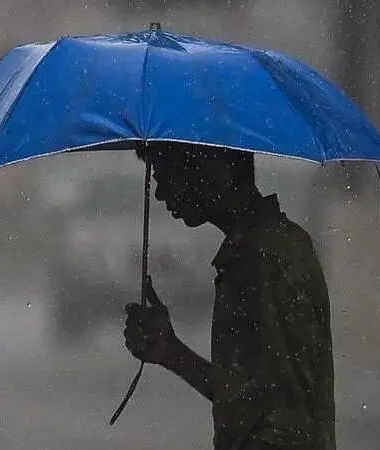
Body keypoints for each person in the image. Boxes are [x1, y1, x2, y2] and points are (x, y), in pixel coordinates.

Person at [123, 142, 336, 450]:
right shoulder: (254, 252)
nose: (159, 193)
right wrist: (170, 351)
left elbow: (286, 421)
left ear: (205, 169)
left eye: (166, 176)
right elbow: (250, 398)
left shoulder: (267, 259)